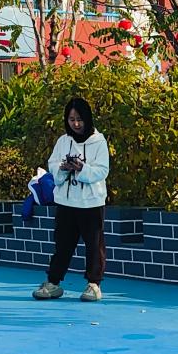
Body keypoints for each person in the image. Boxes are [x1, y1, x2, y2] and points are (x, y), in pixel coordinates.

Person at [34, 96, 110, 303]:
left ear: (87, 119)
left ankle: (94, 284)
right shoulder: (63, 141)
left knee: (94, 245)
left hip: (91, 203)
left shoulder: (98, 142)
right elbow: (52, 164)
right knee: (63, 245)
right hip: (66, 203)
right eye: (71, 119)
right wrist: (63, 168)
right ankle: (53, 282)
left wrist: (82, 168)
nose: (76, 124)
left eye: (79, 119)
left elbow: (102, 170)